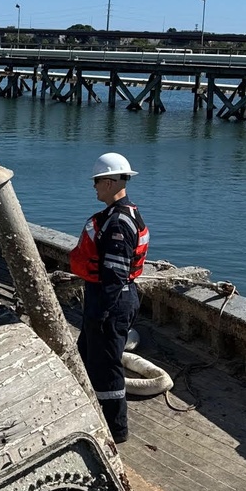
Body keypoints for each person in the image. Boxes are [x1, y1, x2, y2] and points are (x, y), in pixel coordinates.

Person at [69, 152, 149, 444]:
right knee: (88, 356)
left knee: (106, 366)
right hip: (107, 297)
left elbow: (115, 274)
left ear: (113, 182)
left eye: (98, 181)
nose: (94, 187)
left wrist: (104, 312)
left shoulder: (117, 223)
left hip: (112, 300)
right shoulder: (122, 215)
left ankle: (116, 430)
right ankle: (91, 412)